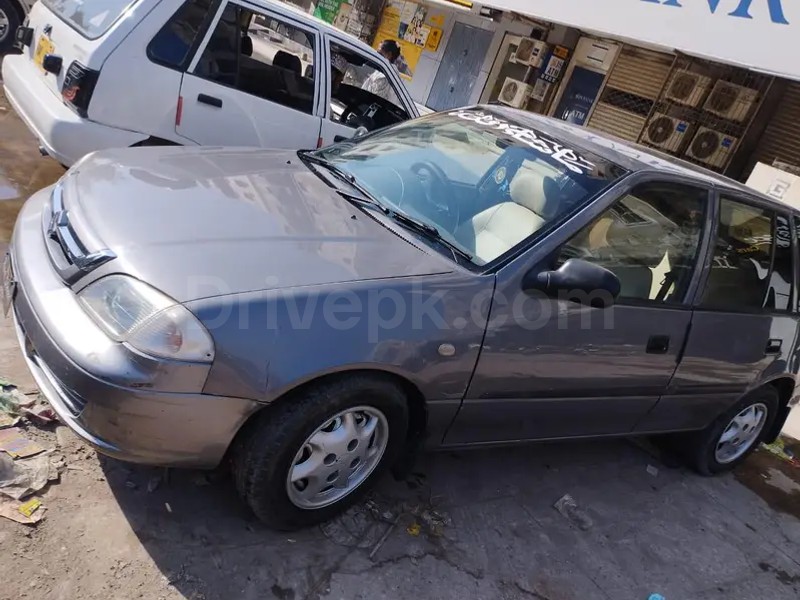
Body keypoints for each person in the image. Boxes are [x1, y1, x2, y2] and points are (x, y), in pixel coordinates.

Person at [362, 39, 403, 106]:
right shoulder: (382, 70)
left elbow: (371, 99)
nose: (377, 56)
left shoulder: (386, 76)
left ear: (389, 55)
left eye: (380, 53)